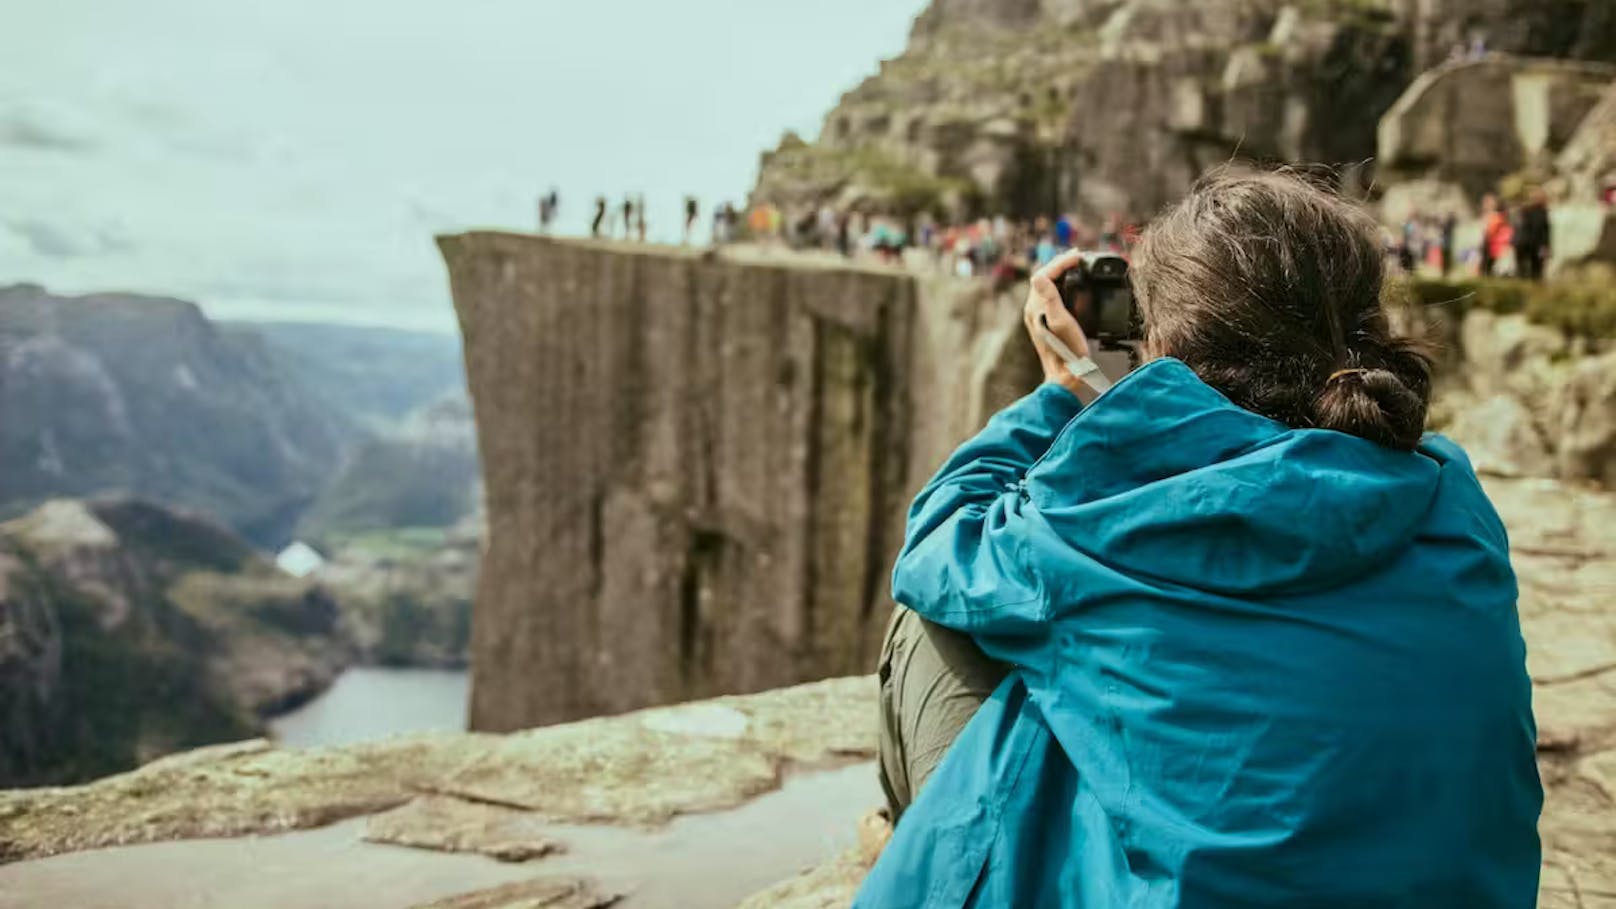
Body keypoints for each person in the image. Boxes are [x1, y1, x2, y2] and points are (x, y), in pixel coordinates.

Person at [858, 170, 1542, 908]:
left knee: (936, 626)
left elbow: (936, 541)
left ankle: (932, 848)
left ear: (1167, 342)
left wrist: (1064, 388)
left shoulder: (1107, 515)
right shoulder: (1454, 498)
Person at [1513, 188, 1552, 282]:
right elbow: (1542, 231)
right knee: (1530, 272)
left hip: (1531, 246)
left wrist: (1545, 247)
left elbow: (1544, 232)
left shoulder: (1537, 212)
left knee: (1534, 272)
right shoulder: (1529, 212)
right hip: (1528, 246)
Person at [1482, 193, 1512, 277]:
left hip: (1495, 243)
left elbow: (1492, 230)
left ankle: (1489, 275)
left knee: (1491, 262)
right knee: (1490, 263)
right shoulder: (1495, 216)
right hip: (1494, 243)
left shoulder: (1497, 217)